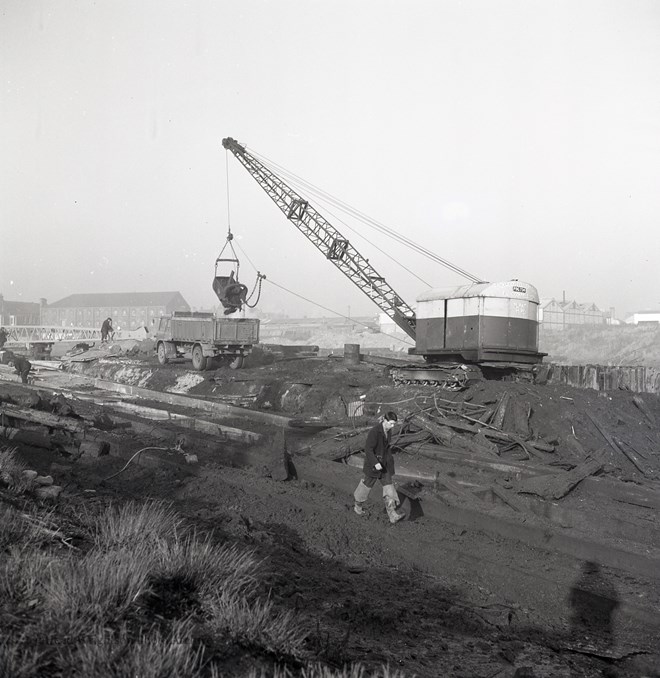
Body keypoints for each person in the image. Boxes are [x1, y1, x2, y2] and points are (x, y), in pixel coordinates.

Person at [353, 411, 405, 524]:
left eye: (394, 424)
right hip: (374, 465)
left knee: (389, 485)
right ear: (384, 420)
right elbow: (368, 449)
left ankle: (392, 514)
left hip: (384, 465)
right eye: (391, 423)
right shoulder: (375, 432)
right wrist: (375, 463)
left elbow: (385, 448)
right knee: (367, 484)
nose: (392, 426)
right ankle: (358, 505)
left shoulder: (388, 431)